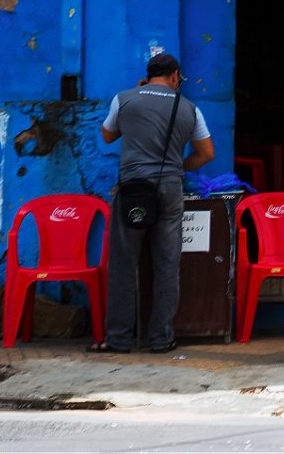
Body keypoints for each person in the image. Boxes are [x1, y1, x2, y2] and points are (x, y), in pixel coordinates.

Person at [96, 52, 215, 354]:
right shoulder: (188, 108)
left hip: (133, 190)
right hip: (169, 190)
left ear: (148, 75)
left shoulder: (124, 99)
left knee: (123, 264)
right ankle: (161, 339)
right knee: (166, 265)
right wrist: (178, 167)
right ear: (175, 76)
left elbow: (107, 135)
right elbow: (206, 154)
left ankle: (119, 338)